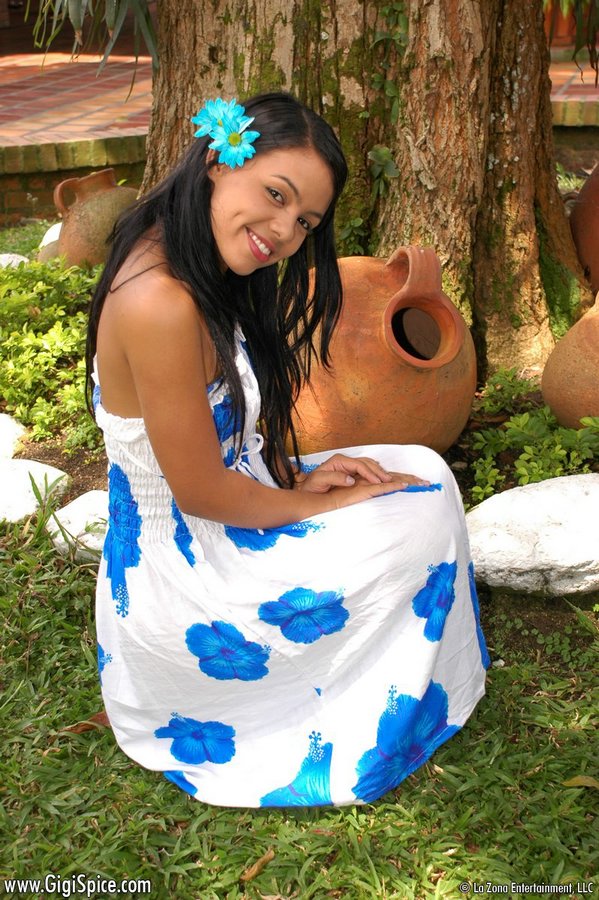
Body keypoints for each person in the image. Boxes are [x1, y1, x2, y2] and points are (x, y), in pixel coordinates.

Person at [87, 92, 489, 808]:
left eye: (304, 221)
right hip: (188, 573)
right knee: (416, 518)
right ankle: (329, 703)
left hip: (228, 502)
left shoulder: (193, 255)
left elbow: (224, 440)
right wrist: (322, 501)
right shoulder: (158, 302)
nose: (282, 231)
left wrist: (298, 474)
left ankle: (385, 675)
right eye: (275, 195)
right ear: (218, 161)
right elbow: (201, 494)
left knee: (421, 470)